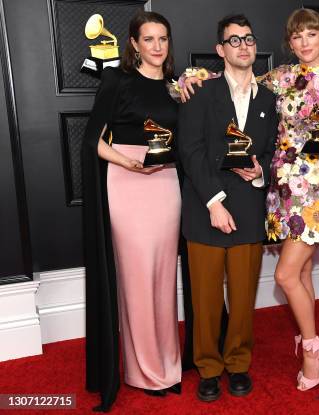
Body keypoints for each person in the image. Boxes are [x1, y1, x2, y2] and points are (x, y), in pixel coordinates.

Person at [179, 8, 319, 391]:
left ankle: (313, 350)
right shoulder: (280, 78)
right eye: (297, 36)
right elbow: (236, 78)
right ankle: (308, 345)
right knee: (304, 273)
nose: (305, 42)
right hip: (282, 192)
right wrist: (191, 78)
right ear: (290, 43)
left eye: (312, 34)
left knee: (284, 275)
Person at [81, 11, 182, 412]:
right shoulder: (117, 81)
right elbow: (94, 140)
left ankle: (169, 365)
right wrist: (128, 163)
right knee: (138, 278)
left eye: (163, 39)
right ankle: (143, 372)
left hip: (166, 183)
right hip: (128, 182)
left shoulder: (177, 88)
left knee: (162, 276)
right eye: (149, 39)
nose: (157, 46)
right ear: (134, 44)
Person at [177, 14, 277, 402]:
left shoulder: (269, 99)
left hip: (249, 210)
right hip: (206, 210)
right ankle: (208, 367)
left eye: (248, 39)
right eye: (233, 41)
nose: (242, 46)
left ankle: (237, 363)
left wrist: (258, 171)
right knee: (204, 299)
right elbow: (191, 150)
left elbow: (271, 153)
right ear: (220, 50)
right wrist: (215, 203)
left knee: (242, 297)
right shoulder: (199, 92)